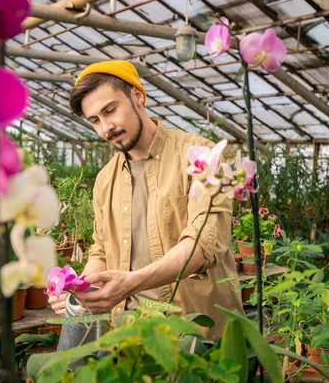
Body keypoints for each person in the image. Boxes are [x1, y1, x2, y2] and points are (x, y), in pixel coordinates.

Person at [48, 60, 244, 340]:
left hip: (193, 334)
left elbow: (203, 244)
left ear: (137, 96)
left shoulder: (201, 155)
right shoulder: (106, 180)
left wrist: (132, 283)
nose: (106, 128)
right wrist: (81, 289)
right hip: (130, 338)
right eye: (95, 120)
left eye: (110, 110)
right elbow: (101, 252)